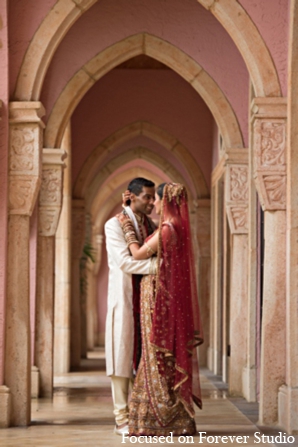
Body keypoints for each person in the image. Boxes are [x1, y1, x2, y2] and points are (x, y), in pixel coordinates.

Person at [118, 183, 204, 436]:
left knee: (155, 353)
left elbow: (136, 255)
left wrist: (125, 222)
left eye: (155, 199)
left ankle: (160, 416)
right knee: (159, 352)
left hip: (157, 298)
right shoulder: (173, 225)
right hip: (161, 296)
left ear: (165, 200)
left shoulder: (166, 228)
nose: (153, 204)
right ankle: (170, 415)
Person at [104, 177, 158, 435]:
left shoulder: (150, 225)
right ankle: (121, 418)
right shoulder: (114, 225)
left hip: (146, 299)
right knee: (121, 355)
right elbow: (126, 263)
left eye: (152, 197)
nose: (151, 202)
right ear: (131, 196)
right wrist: (157, 267)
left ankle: (141, 412)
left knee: (144, 355)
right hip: (124, 297)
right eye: (147, 197)